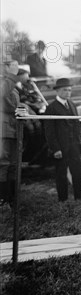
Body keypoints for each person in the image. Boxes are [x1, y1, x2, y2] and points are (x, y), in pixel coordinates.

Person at [44, 78, 81, 202]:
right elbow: (49, 131)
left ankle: (79, 198)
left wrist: (80, 142)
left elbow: (77, 124)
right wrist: (55, 149)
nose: (68, 92)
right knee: (61, 174)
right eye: (65, 90)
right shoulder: (51, 108)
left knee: (77, 172)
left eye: (69, 90)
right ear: (58, 91)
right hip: (61, 147)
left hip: (74, 146)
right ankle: (63, 200)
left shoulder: (71, 104)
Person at [0, 56, 22, 207]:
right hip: (3, 129)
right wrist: (12, 75)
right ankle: (3, 199)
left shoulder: (10, 84)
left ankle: (12, 199)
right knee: (4, 164)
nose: (15, 67)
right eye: (12, 66)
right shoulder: (5, 83)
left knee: (14, 164)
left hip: (14, 128)